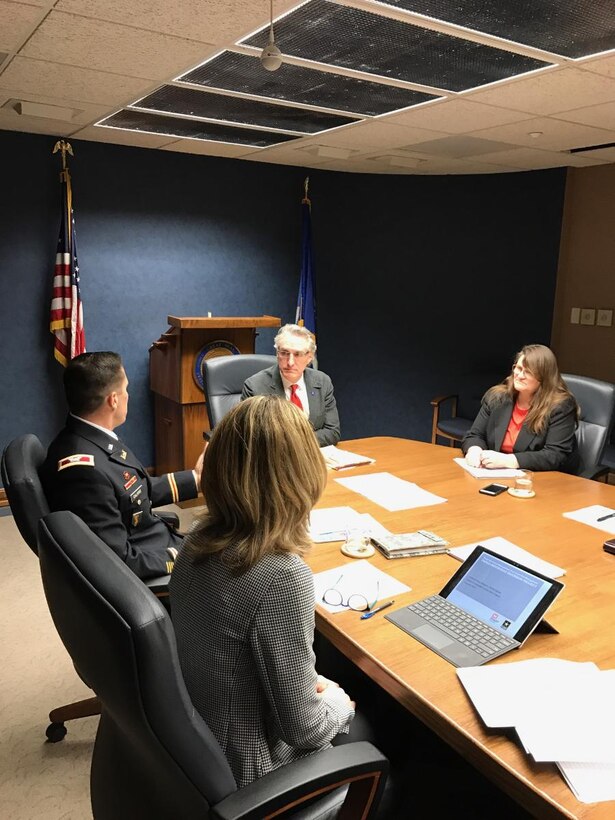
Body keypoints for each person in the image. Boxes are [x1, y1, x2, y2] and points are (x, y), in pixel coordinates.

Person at [169, 396, 355, 788]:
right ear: (302, 474)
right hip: (247, 770)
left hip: (200, 739)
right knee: (391, 729)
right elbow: (304, 731)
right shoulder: (282, 576)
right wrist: (339, 703)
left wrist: (307, 684)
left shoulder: (197, 535)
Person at [41, 351, 203, 579]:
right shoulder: (82, 471)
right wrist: (182, 557)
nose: (128, 395)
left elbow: (135, 492)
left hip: (155, 539)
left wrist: (196, 479)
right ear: (113, 400)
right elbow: (119, 562)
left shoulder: (94, 438)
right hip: (153, 563)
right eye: (125, 389)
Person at [462, 344, 579, 473]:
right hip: (495, 474)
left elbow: (555, 455)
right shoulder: (498, 397)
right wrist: (474, 450)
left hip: (540, 478)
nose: (520, 375)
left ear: (544, 377)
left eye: (528, 372)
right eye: (518, 368)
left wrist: (509, 461)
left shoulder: (561, 406)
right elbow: (475, 435)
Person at [241, 323, 340, 446]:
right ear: (277, 354)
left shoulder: (322, 382)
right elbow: (251, 436)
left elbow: (332, 432)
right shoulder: (254, 386)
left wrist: (298, 445)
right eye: (284, 353)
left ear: (309, 357)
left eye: (297, 354)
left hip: (314, 456)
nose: (290, 362)